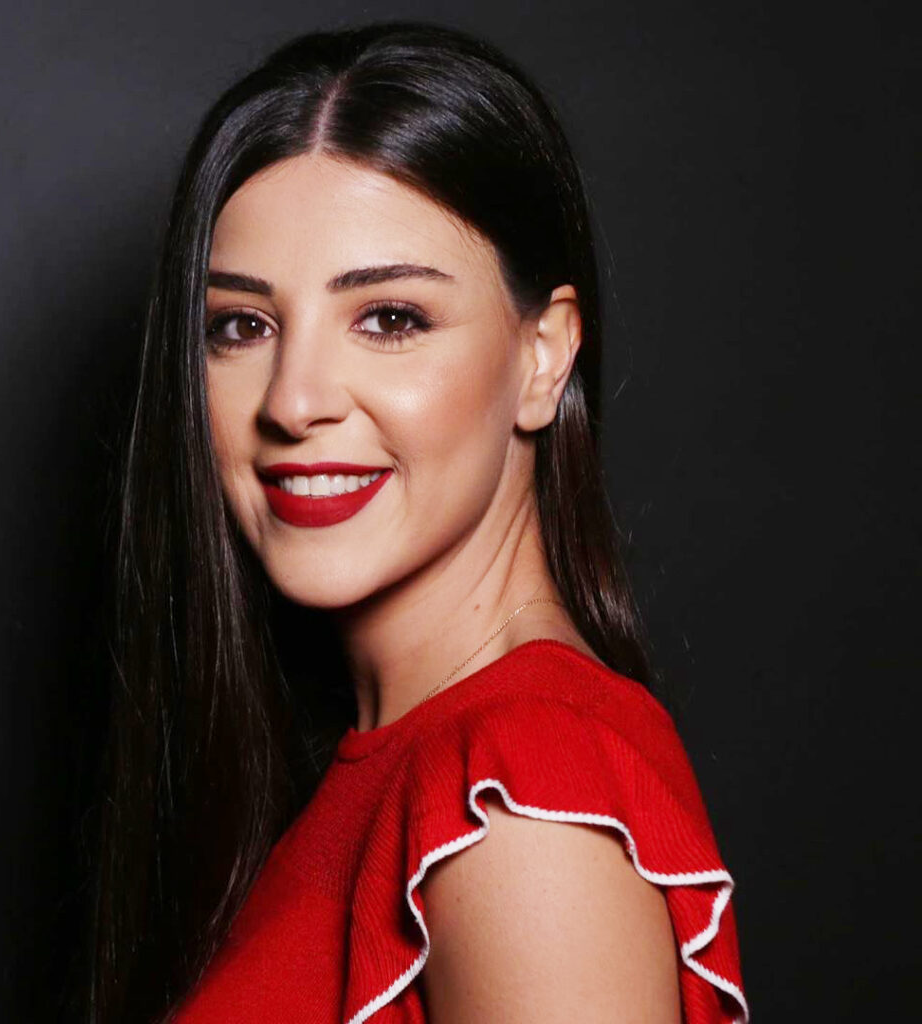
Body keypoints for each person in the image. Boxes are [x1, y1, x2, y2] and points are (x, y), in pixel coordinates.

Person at [89, 20, 748, 1024]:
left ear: (543, 356)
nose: (294, 401)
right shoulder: (385, 763)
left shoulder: (520, 794)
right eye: (242, 325)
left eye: (389, 318)